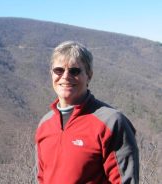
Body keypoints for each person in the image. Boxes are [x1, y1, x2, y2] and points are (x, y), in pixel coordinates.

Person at [35, 41, 139, 184]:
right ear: (51, 74)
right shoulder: (44, 125)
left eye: (74, 71)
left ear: (89, 75)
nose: (65, 76)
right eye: (59, 70)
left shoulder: (111, 122)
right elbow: (41, 178)